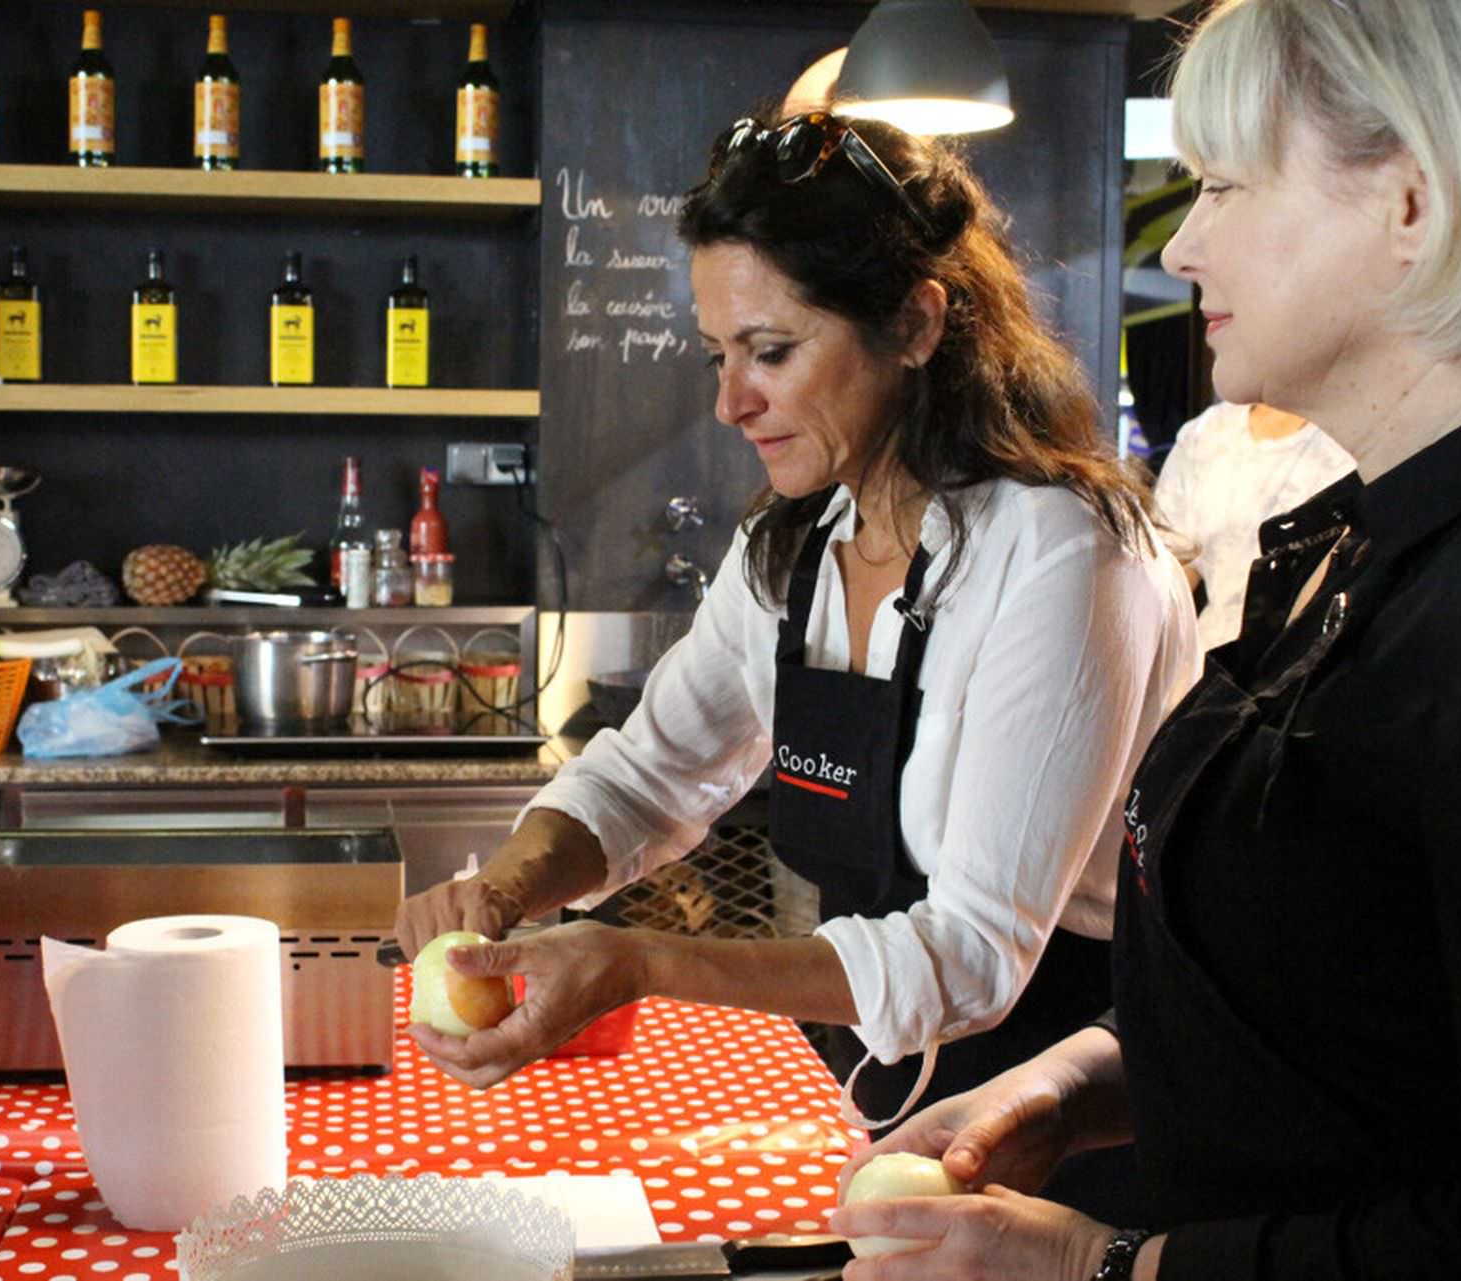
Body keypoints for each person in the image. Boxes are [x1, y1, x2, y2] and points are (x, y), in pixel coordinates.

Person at [827, 0, 1461, 1277]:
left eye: (1226, 185)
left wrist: (1101, 1269)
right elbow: (1349, 1005)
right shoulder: (1376, 540)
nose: (1182, 248)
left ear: (1413, 203)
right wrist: (1074, 1089)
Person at [396, 108, 1200, 1215]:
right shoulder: (802, 547)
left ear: (917, 325)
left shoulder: (1065, 552)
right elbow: (647, 776)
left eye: (772, 351)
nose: (730, 402)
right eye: (719, 355)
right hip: (886, 1096)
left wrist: (636, 964)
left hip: (1067, 1123)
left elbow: (971, 954)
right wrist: (503, 892)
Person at [1153, 400, 1353, 649]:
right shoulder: (1206, 432)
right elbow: (1172, 570)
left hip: (1308, 661)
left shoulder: (1351, 434)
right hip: (1212, 659)